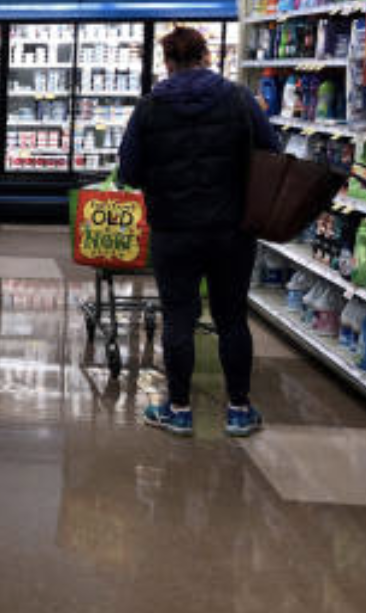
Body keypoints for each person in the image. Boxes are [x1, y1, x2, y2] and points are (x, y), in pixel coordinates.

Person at [118, 27, 281, 437]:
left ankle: (179, 410)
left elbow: (129, 172)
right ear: (206, 57)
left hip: (173, 231)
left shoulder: (149, 107)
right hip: (231, 230)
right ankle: (240, 410)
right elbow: (271, 152)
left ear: (167, 62)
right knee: (231, 319)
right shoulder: (239, 99)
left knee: (178, 319)